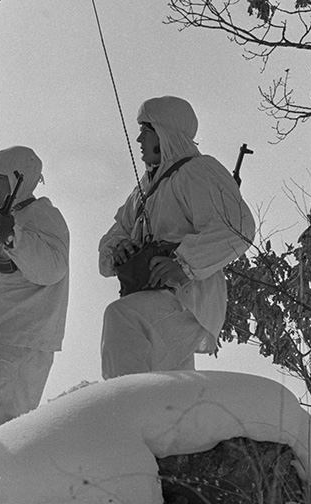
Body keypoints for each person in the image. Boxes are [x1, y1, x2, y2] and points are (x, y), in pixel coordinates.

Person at [98, 96, 255, 379]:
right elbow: (113, 238)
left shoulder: (199, 170)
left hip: (188, 298)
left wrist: (183, 264)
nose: (138, 139)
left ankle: (126, 411)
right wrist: (119, 248)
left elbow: (238, 228)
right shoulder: (142, 191)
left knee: (122, 319)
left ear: (164, 132)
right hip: (152, 296)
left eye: (146, 130)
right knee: (169, 382)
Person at [0, 146, 69, 437]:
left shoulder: (41, 216)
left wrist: (11, 237)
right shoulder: (13, 218)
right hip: (2, 336)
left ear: (17, 177)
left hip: (20, 337)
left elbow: (51, 268)